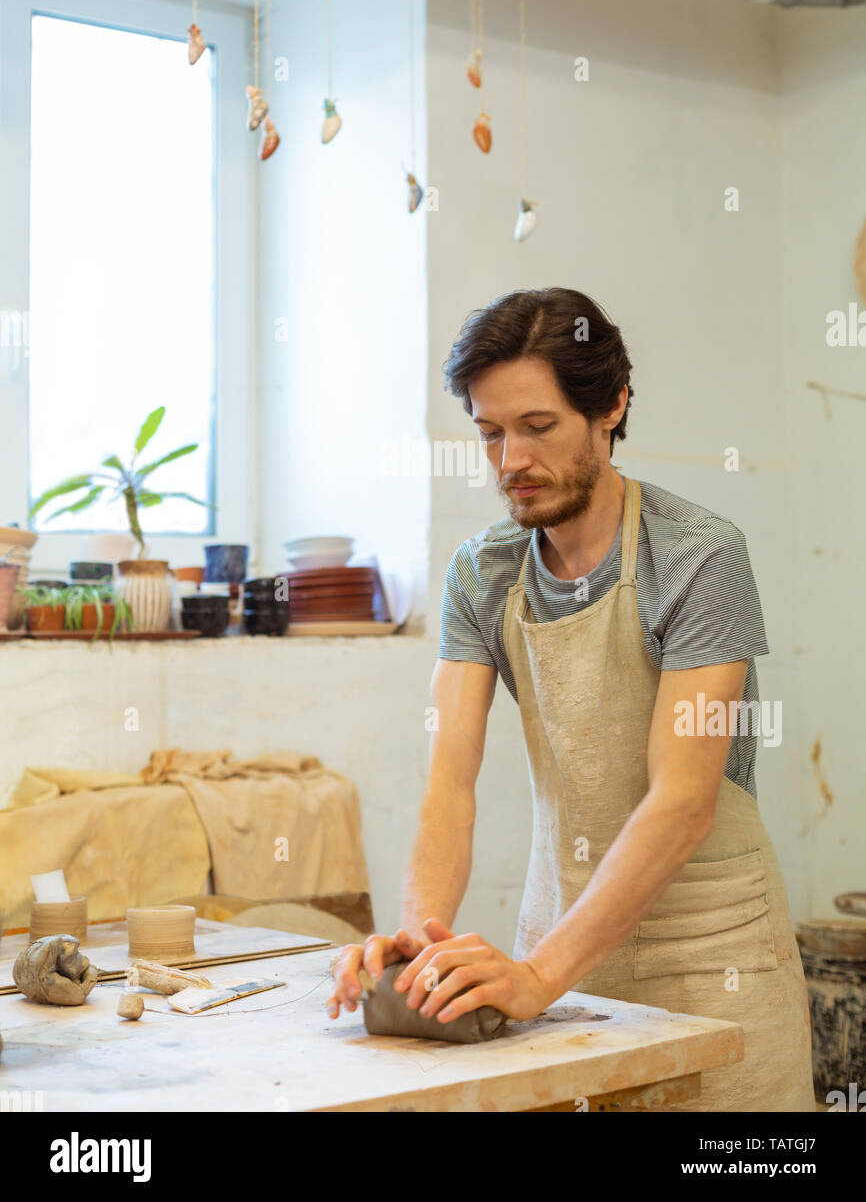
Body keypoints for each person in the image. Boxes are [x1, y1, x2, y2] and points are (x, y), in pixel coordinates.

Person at [328, 287, 814, 1112]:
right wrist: (420, 942)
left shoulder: (699, 558)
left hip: (708, 958)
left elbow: (683, 802)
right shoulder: (482, 573)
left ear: (610, 406)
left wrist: (538, 976)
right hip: (556, 943)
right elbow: (450, 783)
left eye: (538, 426)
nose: (510, 460)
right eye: (490, 432)